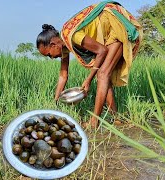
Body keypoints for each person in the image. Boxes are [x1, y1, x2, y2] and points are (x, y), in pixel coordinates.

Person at [36, 0, 143, 128]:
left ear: (53, 44)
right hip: (108, 31)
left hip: (115, 25)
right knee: (104, 75)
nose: (51, 58)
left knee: (102, 74)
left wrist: (88, 80)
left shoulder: (72, 36)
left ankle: (94, 121)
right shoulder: (64, 46)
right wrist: (56, 101)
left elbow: (101, 51)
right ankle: (116, 119)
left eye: (49, 54)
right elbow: (63, 75)